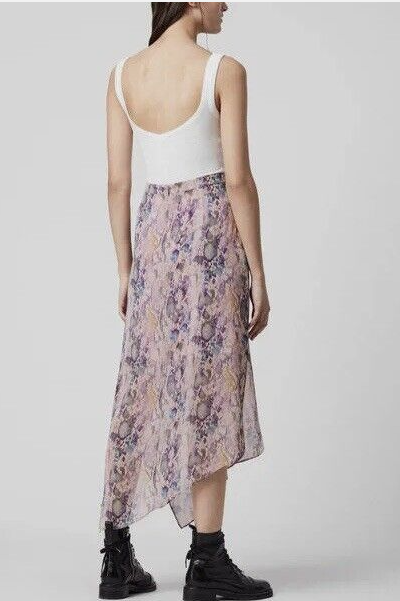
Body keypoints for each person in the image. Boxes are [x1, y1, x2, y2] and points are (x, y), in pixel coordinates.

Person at [99, 3, 272, 599]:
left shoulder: (122, 74)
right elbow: (239, 179)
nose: (228, 4)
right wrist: (258, 272)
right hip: (209, 237)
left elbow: (118, 182)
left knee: (142, 385)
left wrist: (125, 269)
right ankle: (207, 560)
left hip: (153, 236)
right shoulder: (223, 70)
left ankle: (116, 557)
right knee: (210, 389)